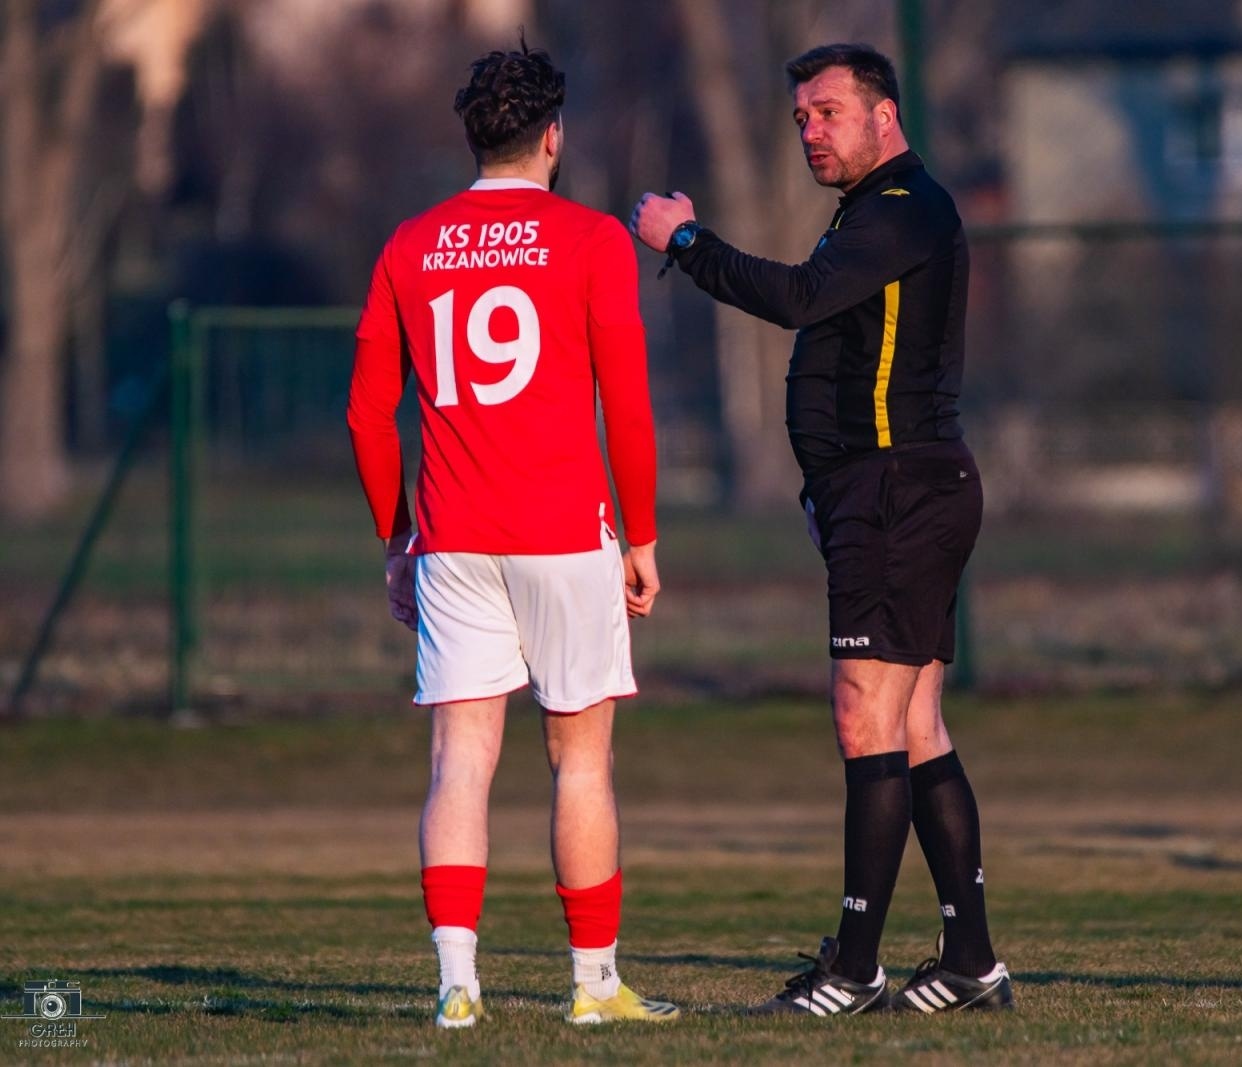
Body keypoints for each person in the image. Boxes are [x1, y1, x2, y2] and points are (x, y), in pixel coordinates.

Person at [630, 42, 1010, 1015]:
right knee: (913, 723)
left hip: (899, 493)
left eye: (828, 112)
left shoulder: (900, 209)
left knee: (864, 718)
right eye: (800, 117)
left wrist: (685, 241)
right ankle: (970, 963)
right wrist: (824, 491)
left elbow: (796, 298)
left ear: (884, 115)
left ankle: (855, 967)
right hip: (892, 493)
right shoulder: (876, 215)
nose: (810, 131)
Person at [346, 41, 678, 1027]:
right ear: (552, 136)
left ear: (471, 136)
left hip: (452, 536)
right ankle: (593, 984)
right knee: (580, 758)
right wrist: (645, 533)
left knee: (459, 757)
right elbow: (626, 399)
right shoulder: (589, 239)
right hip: (565, 533)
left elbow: (368, 416)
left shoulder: (409, 244)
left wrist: (397, 537)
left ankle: (457, 984)